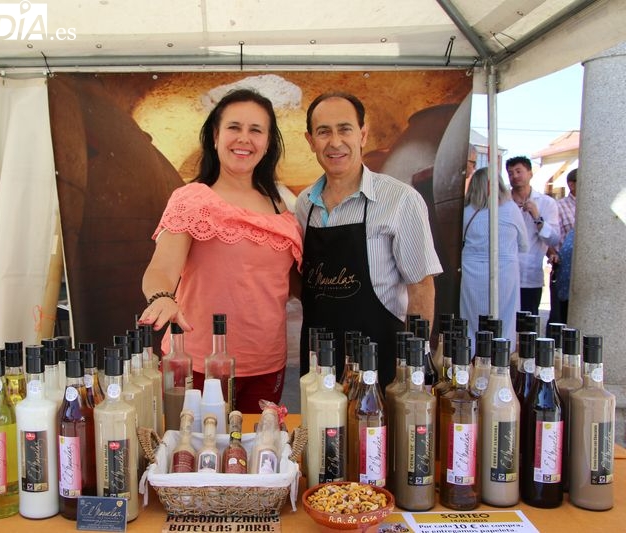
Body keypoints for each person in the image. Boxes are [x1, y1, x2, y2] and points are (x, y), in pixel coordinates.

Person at [138, 89, 302, 413]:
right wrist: (162, 298)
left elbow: (288, 283)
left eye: (256, 130)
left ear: (268, 142)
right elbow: (160, 270)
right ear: (215, 136)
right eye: (234, 127)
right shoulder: (192, 198)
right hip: (198, 363)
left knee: (256, 444)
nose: (244, 138)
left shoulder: (280, 205)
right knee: (197, 444)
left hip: (267, 364)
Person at [295, 92, 442, 388]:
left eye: (345, 129)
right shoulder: (304, 204)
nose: (335, 142)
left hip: (380, 360)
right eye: (324, 132)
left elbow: (421, 287)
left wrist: (413, 366)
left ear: (362, 134)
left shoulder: (400, 199)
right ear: (311, 141)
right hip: (319, 363)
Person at [460, 168, 528, 351]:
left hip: (471, 270)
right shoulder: (511, 209)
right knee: (505, 319)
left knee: (472, 320)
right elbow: (524, 245)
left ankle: (473, 356)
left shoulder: (466, 212)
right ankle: (501, 357)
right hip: (505, 269)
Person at [506, 156, 560, 315]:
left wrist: (537, 217)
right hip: (504, 274)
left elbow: (554, 239)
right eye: (510, 173)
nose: (515, 176)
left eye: (519, 171)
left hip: (530, 276)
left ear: (530, 173)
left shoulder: (546, 203)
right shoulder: (501, 202)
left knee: (527, 323)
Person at [546, 168, 577, 326]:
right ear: (572, 185)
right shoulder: (559, 206)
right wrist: (553, 255)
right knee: (559, 318)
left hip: (582, 272)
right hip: (563, 269)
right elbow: (548, 237)